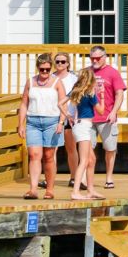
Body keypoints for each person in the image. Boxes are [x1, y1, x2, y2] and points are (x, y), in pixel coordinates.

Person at [17, 53, 67, 200]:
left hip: (52, 121)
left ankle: (50, 189)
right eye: (42, 69)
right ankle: (33, 189)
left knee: (49, 156)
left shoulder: (57, 82)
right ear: (38, 68)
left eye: (47, 69)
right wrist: (21, 124)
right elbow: (24, 103)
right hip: (33, 122)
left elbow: (64, 103)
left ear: (50, 68)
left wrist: (61, 122)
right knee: (34, 155)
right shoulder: (30, 82)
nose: (44, 72)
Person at [88, 45, 126, 190]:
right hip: (88, 118)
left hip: (107, 116)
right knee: (87, 149)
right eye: (92, 58)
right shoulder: (87, 72)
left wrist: (114, 111)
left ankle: (109, 177)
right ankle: (88, 179)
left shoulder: (112, 72)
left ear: (105, 57)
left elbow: (119, 94)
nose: (95, 60)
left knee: (110, 148)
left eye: (98, 58)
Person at [67, 68, 104, 201]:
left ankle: (90, 190)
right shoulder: (90, 93)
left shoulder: (76, 91)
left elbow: (60, 103)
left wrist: (68, 115)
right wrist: (102, 96)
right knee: (83, 161)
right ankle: (75, 192)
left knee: (91, 159)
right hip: (83, 127)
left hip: (81, 125)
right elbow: (101, 111)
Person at [51, 52, 78, 186]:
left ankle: (74, 177)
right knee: (52, 149)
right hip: (54, 116)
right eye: (57, 62)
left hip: (70, 116)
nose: (60, 64)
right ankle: (50, 179)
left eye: (63, 61)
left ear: (68, 63)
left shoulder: (74, 78)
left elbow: (78, 97)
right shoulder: (50, 77)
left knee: (71, 148)